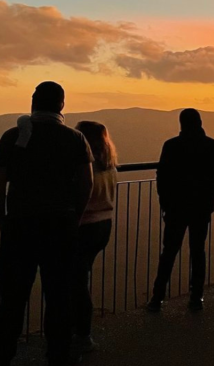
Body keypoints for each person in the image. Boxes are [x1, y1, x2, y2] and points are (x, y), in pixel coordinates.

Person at [0, 82, 94, 366]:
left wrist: (4, 222)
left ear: (33, 102)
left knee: (11, 299)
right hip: (61, 227)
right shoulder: (75, 139)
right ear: (62, 105)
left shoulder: (12, 136)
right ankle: (58, 356)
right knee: (59, 296)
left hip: (19, 227)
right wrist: (75, 217)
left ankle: (0, 357)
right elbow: (87, 184)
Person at [147, 109, 214, 312]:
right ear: (200, 122)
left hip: (176, 207)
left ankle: (157, 298)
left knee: (169, 252)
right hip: (201, 207)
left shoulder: (171, 146)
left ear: (181, 123)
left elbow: (162, 177)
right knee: (198, 251)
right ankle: (196, 297)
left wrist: (165, 203)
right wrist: (210, 194)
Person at [71, 121, 118, 353]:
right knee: (82, 277)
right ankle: (80, 332)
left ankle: (81, 334)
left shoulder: (83, 165)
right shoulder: (109, 163)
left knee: (77, 283)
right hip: (104, 226)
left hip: (85, 226)